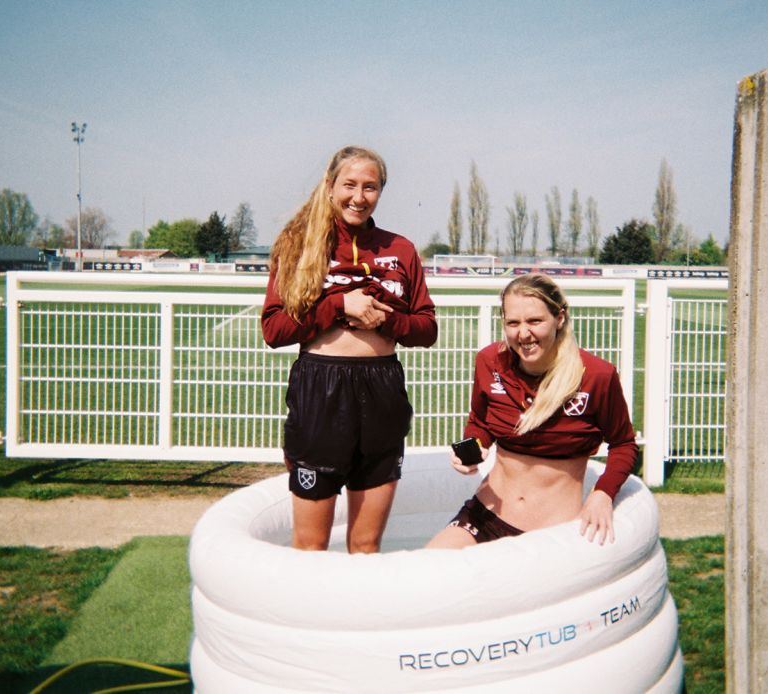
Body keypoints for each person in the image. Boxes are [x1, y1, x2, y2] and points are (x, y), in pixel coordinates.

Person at [261, 145, 437, 553]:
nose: (359, 197)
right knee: (309, 544)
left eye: (370, 187)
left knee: (366, 544)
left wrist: (386, 320)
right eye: (350, 185)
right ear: (330, 186)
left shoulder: (401, 250)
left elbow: (427, 329)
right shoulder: (298, 246)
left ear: (380, 192)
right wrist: (339, 305)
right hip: (321, 389)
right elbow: (274, 329)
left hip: (382, 391)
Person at [427, 273, 637, 549]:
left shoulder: (596, 375)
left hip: (552, 532)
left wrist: (602, 493)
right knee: (429, 572)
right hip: (483, 516)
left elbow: (624, 444)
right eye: (513, 323)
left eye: (534, 321)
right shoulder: (490, 361)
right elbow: (481, 423)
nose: (523, 333)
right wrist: (474, 446)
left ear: (559, 318)